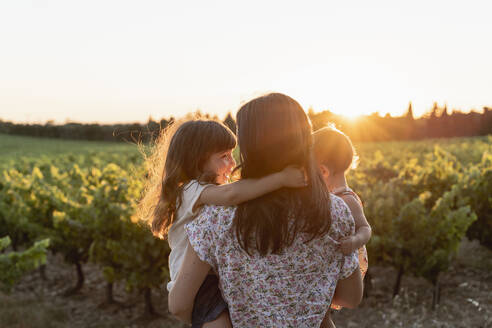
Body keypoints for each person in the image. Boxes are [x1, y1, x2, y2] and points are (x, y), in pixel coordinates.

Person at [168, 94, 363, 327]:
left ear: (250, 147)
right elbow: (350, 298)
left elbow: (179, 305)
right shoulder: (336, 210)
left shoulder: (215, 217)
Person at [138, 119, 307, 328]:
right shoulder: (191, 189)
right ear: (197, 160)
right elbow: (232, 194)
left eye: (232, 154)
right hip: (199, 284)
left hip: (215, 276)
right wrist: (281, 178)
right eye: (224, 157)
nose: (232, 163)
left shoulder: (207, 189)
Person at [313, 125, 371, 314]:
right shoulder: (326, 196)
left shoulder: (346, 199)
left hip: (347, 262)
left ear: (323, 172)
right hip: (334, 259)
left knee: (323, 308)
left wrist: (354, 241)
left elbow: (365, 228)